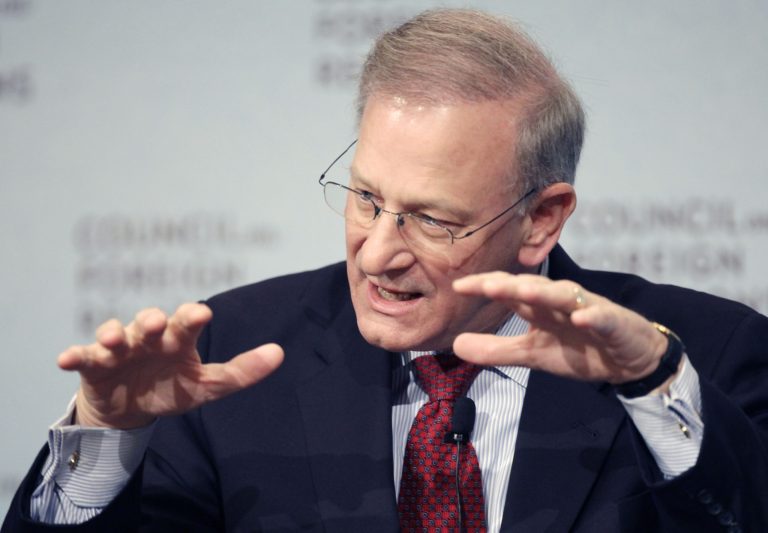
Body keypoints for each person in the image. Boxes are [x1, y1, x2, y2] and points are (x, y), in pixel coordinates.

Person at [3, 8, 767, 532]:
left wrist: (653, 386)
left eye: (433, 219)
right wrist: (107, 438)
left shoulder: (707, 355)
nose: (377, 253)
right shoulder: (226, 353)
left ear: (542, 217)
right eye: (366, 198)